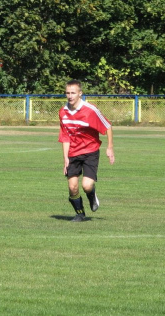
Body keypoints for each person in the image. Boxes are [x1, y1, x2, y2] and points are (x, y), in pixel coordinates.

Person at [59, 80, 115, 222]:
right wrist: (65, 158)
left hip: (90, 151)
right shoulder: (63, 112)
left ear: (80, 93)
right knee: (72, 187)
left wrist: (110, 147)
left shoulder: (90, 110)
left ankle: (92, 195)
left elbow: (107, 126)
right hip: (73, 153)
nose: (70, 96)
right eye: (67, 93)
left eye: (73, 93)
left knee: (87, 185)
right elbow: (65, 136)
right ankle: (80, 214)